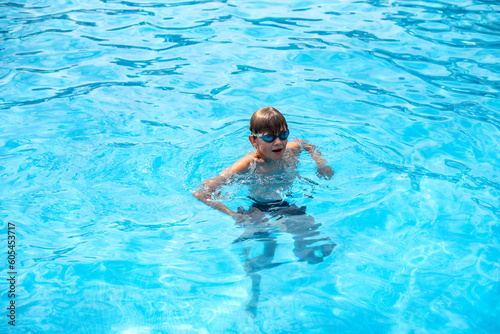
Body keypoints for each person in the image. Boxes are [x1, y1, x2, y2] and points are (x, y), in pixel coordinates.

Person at [193, 107, 335, 316]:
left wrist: (320, 164)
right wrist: (233, 215)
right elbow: (202, 192)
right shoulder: (247, 164)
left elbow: (307, 145)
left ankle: (314, 292)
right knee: (264, 252)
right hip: (256, 207)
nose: (278, 142)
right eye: (269, 137)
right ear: (254, 141)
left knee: (322, 247)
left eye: (283, 134)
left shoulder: (292, 150)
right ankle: (254, 294)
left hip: (285, 204)